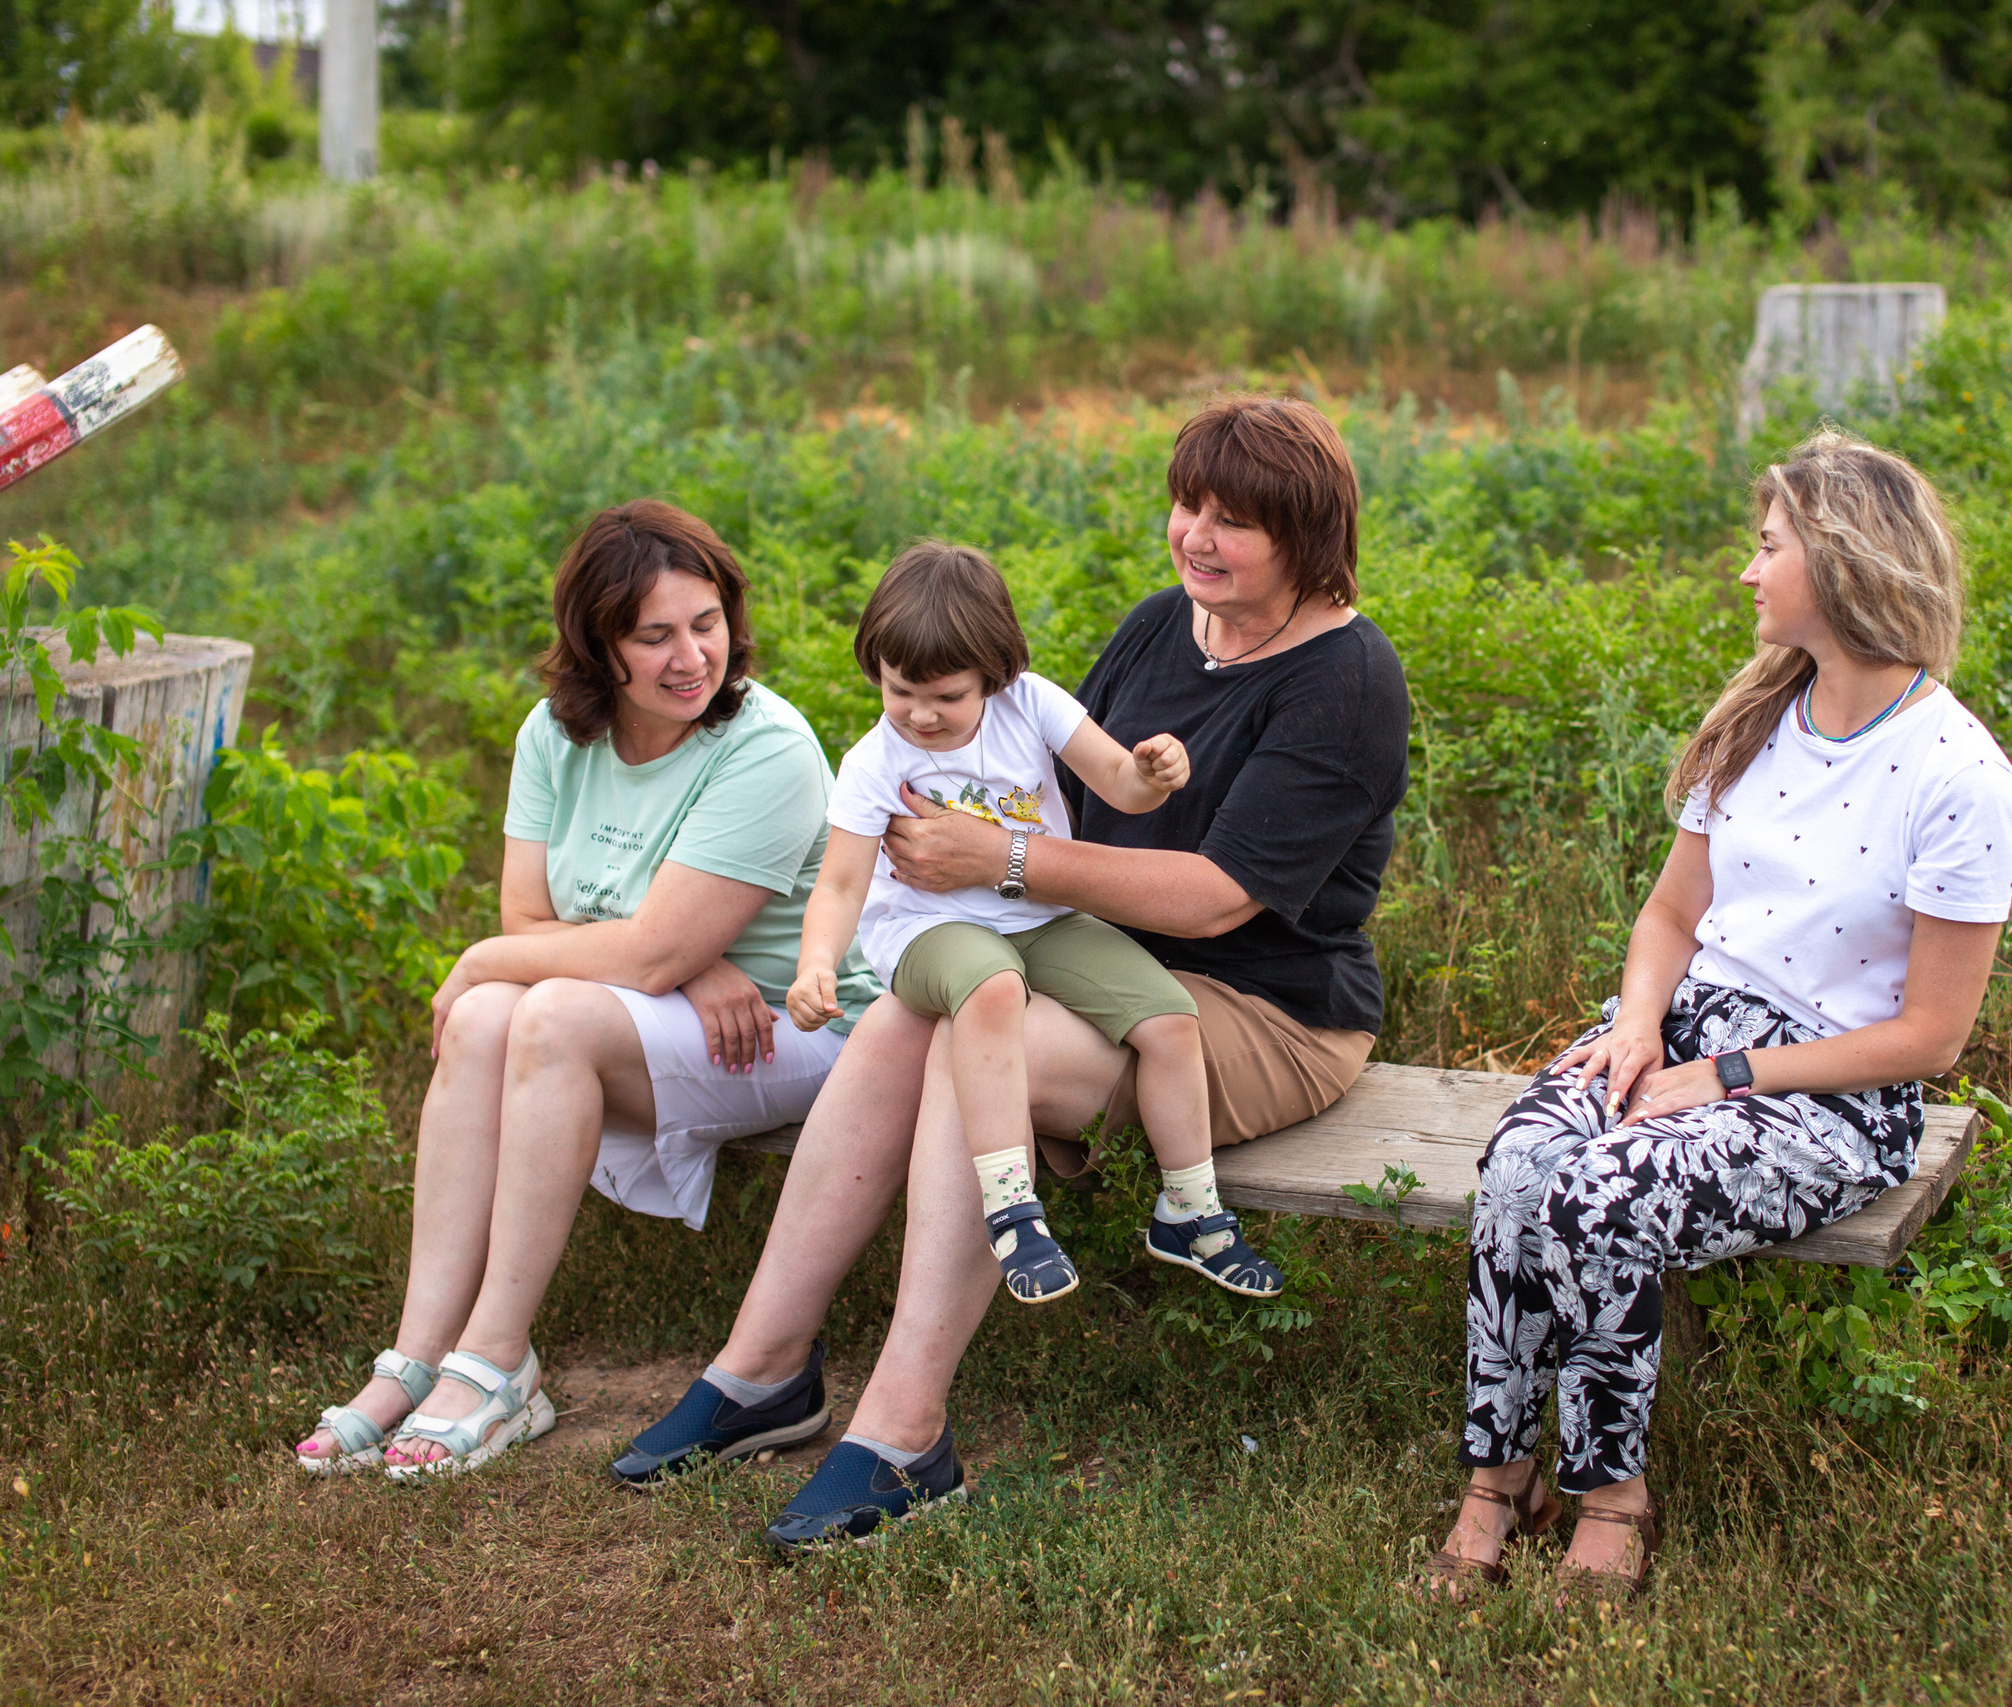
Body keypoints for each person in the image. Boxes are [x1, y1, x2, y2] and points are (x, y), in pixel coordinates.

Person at [611, 397, 1408, 1551]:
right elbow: (1049, 772)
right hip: (1084, 950)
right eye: (1187, 504)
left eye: (1233, 521)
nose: (1195, 536)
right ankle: (762, 1366)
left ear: (1308, 536)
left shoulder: (1346, 680)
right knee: (914, 1013)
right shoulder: (1162, 625)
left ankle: (904, 1432)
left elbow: (1216, 897)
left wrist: (1006, 862)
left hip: (1260, 1009)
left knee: (969, 1041)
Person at [1423, 431, 2012, 1596]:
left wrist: (1729, 1076)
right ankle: (1499, 1478)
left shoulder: (1958, 778)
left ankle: (1613, 1496)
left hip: (1831, 1098)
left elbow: (1931, 1038)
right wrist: (1637, 1026)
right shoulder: (1756, 722)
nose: (1748, 572)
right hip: (1689, 1024)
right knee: (1518, 1168)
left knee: (1604, 1197)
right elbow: (1668, 915)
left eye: (1767, 547)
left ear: (1842, 564)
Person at [293, 499, 877, 1478]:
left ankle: (495, 1362)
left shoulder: (766, 745)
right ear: (600, 646)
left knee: (538, 1006)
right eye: (654, 637)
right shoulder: (556, 736)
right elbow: (533, 922)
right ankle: (419, 1353)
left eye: (707, 624)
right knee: (484, 1017)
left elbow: (592, 953)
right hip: (668, 1010)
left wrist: (618, 957)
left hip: (796, 1029)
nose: (691, 657)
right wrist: (680, 961)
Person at [788, 540, 1285, 1305]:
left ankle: (1189, 1211)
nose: (920, 713)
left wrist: (1151, 774)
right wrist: (817, 961)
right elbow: (841, 882)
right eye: (899, 690)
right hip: (926, 930)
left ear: (995, 673)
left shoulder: (1030, 703)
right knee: (992, 986)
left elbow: (1116, 781)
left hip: (1039, 916)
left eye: (946, 695)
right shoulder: (875, 762)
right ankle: (1012, 1209)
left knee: (1171, 1017)